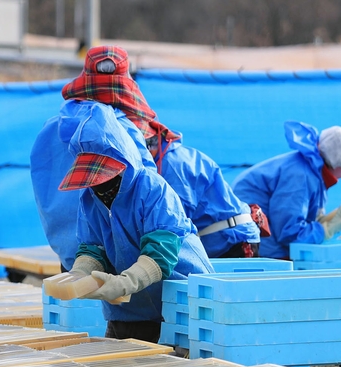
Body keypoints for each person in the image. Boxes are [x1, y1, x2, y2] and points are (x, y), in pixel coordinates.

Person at [32, 45, 261, 268]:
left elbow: (165, 229)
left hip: (228, 242)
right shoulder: (118, 137)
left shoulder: (170, 171)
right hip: (125, 248)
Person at [59, 101, 212, 343]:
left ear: (123, 164)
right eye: (93, 179)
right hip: (129, 311)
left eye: (104, 177)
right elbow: (93, 247)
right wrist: (80, 273)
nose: (99, 185)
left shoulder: (152, 189)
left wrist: (125, 283)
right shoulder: (89, 198)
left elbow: (160, 253)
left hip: (181, 304)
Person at [231, 121, 341, 259]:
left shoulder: (311, 169)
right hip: (259, 251)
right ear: (337, 164)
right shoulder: (299, 176)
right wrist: (324, 230)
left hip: (259, 241)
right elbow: (288, 233)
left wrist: (322, 220)